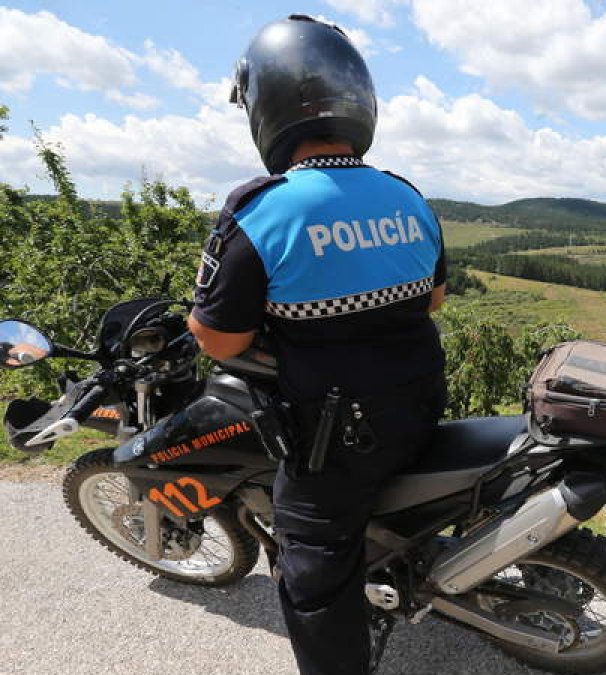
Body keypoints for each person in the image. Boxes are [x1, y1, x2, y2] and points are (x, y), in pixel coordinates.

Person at [186, 15, 448, 675]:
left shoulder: (263, 210)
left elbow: (219, 337)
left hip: (338, 438)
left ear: (267, 106)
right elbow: (434, 299)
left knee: (311, 570)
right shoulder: (405, 195)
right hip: (420, 403)